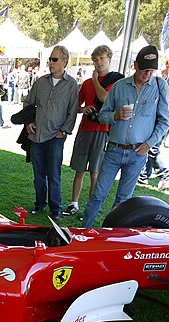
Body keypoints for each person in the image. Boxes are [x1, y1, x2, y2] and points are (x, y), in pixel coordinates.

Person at [81, 45, 169, 228]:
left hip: (137, 153)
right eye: (144, 69)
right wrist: (115, 115)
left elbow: (164, 122)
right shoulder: (120, 86)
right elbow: (102, 115)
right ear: (135, 65)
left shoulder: (160, 86)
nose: (147, 74)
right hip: (114, 149)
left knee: (123, 200)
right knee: (98, 195)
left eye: (151, 70)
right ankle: (84, 232)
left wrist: (149, 144)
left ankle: (115, 238)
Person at [63, 45, 123, 218]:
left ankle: (90, 207)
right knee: (79, 170)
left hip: (102, 131)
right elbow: (76, 106)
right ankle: (74, 203)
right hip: (85, 129)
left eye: (101, 59)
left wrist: (95, 79)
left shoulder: (115, 81)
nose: (98, 63)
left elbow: (104, 97)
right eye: (95, 60)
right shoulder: (87, 84)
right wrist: (84, 109)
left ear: (109, 58)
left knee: (95, 172)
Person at [24, 45, 79, 221]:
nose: (50, 63)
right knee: (38, 174)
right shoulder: (40, 82)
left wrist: (63, 131)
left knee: (54, 175)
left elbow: (73, 111)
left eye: (54, 59)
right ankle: (40, 204)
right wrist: (28, 122)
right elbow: (28, 103)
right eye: (50, 59)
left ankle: (56, 208)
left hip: (56, 137)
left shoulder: (71, 85)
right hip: (37, 135)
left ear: (64, 62)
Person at [139, 53, 169, 189]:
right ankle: (144, 176)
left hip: (161, 121)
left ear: (168, 64)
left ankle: (165, 174)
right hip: (162, 120)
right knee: (151, 148)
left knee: (152, 149)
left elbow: (167, 101)